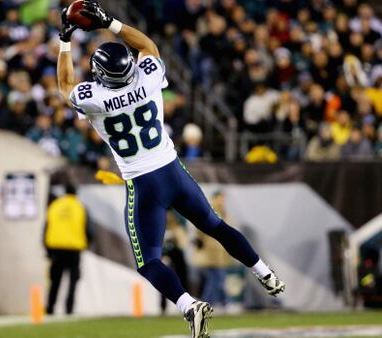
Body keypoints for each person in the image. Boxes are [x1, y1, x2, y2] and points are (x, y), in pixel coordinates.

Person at [57, 3, 285, 337]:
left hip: (143, 184)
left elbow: (64, 85)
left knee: (148, 261)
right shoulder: (148, 78)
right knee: (217, 227)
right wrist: (110, 22)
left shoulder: (94, 99)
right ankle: (265, 272)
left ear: (101, 76)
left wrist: (65, 39)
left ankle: (188, 306)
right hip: (174, 172)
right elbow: (148, 46)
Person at [44, 184, 88, 315]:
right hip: (74, 250)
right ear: (76, 193)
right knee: (73, 281)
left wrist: (48, 250)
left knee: (55, 281)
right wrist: (86, 244)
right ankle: (69, 310)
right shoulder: (80, 207)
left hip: (56, 249)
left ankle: (50, 308)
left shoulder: (55, 206)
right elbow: (88, 230)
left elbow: (46, 227)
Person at [193, 191, 233, 310]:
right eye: (220, 199)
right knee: (216, 278)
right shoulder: (210, 210)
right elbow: (200, 229)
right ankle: (210, 303)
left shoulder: (223, 212)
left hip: (221, 252)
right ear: (215, 199)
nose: (222, 202)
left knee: (217, 279)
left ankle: (220, 302)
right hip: (211, 252)